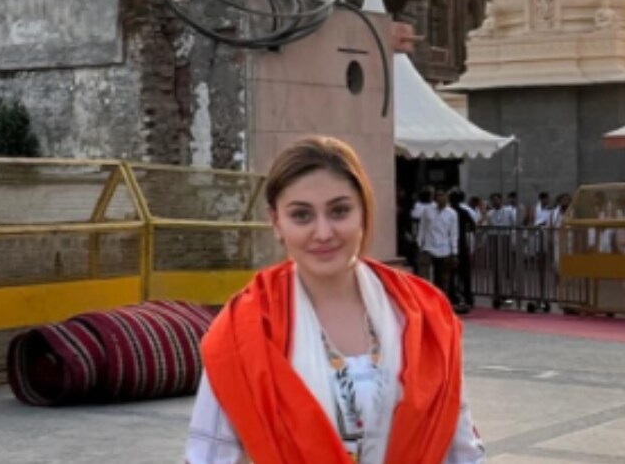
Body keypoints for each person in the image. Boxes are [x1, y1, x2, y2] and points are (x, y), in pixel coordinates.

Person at [185, 136, 486, 463]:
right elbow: (209, 456)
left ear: (364, 211)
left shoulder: (422, 314)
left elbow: (460, 449)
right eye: (302, 215)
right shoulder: (244, 329)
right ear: (276, 222)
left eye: (339, 210)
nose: (324, 232)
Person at [448, 188, 477, 309]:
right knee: (464, 273)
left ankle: (453, 295)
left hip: (451, 245)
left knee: (451, 273)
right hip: (461, 244)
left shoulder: (449, 212)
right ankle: (467, 296)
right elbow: (472, 226)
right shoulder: (463, 212)